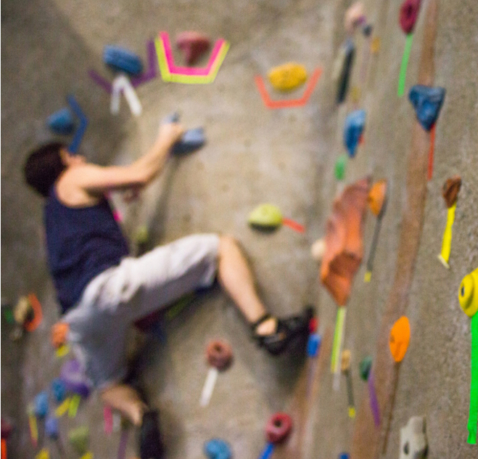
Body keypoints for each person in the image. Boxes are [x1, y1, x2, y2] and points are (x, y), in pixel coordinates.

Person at [24, 121, 313, 459]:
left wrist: (117, 190)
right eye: (71, 155)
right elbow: (140, 174)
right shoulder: (71, 178)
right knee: (221, 248)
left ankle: (140, 416)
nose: (80, 158)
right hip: (110, 288)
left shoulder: (51, 219)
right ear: (64, 161)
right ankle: (268, 328)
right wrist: (166, 138)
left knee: (109, 386)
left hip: (80, 319)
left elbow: (90, 226)